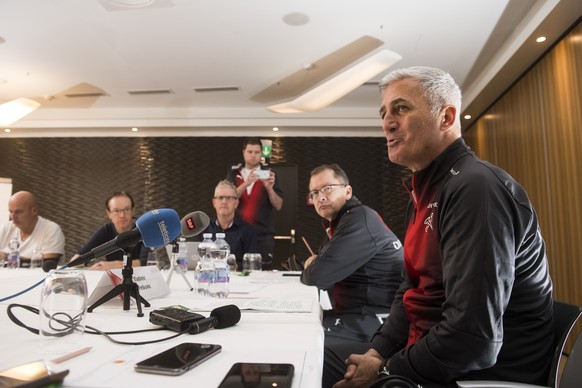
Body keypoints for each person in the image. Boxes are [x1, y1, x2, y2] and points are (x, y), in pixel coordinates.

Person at [327, 66, 554, 387]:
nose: (387, 123)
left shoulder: (477, 189)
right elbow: (410, 292)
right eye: (384, 113)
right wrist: (377, 353)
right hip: (427, 354)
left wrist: (384, 370)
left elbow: (473, 339)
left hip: (480, 375)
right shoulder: (423, 195)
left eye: (401, 108)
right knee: (308, 354)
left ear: (446, 118)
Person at [301, 164, 403, 346]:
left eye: (327, 188)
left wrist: (316, 265)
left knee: (304, 344)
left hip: (377, 320)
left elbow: (316, 275)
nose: (321, 197)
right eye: (314, 193)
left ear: (348, 192)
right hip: (354, 313)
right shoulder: (337, 223)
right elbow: (320, 263)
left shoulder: (359, 218)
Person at [226, 137, 283, 268]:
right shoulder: (234, 173)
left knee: (263, 275)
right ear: (243, 152)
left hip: (263, 235)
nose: (253, 155)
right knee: (236, 272)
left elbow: (279, 205)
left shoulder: (270, 174)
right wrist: (246, 183)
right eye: (250, 152)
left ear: (261, 154)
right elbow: (228, 198)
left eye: (257, 152)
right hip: (237, 233)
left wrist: (269, 189)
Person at [70, 191, 148, 270]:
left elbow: (145, 262)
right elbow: (83, 255)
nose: (122, 215)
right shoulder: (106, 230)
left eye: (127, 209)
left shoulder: (144, 229)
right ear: (108, 213)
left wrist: (114, 265)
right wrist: (77, 260)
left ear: (133, 211)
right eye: (116, 211)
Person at [200, 180, 259, 270]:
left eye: (228, 198)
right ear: (214, 203)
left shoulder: (248, 230)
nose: (224, 201)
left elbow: (252, 264)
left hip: (239, 280)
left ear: (236, 203)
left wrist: (234, 266)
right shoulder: (205, 229)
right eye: (220, 197)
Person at [0, 191, 65, 266]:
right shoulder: (5, 228)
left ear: (34, 211)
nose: (12, 217)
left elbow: (48, 264)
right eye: (11, 212)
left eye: (18, 212)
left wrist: (9, 257)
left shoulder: (51, 230)